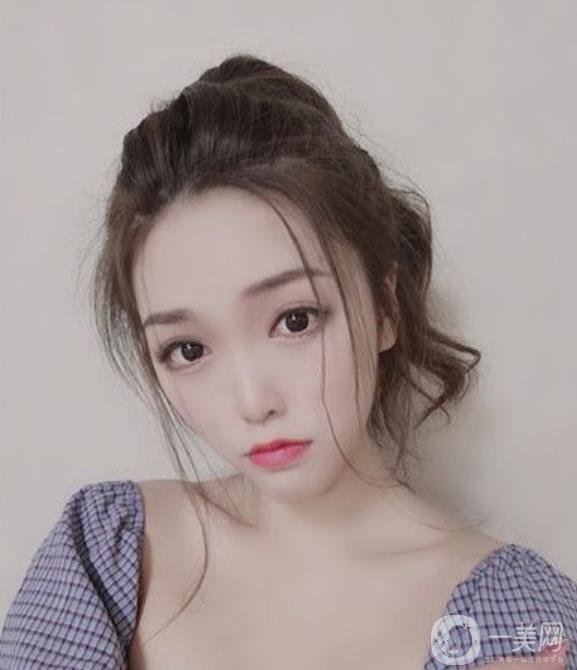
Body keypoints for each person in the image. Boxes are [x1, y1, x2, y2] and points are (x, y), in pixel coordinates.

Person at [0, 53, 575, 670]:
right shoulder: (106, 551)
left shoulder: (514, 619)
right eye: (189, 349)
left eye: (295, 320)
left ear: (385, 308)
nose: (254, 402)